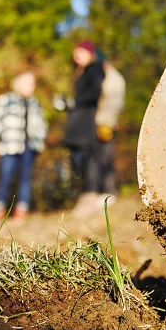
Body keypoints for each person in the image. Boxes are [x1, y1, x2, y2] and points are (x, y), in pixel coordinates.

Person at [0, 72, 47, 223]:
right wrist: (3, 134)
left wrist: (39, 140)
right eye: (28, 83)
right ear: (19, 84)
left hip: (29, 146)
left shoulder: (35, 103)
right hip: (10, 145)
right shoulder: (6, 100)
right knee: (5, 177)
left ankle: (21, 211)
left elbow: (41, 124)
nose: (31, 87)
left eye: (32, 84)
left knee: (25, 179)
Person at [60, 40, 112, 215]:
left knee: (89, 157)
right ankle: (85, 192)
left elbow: (93, 94)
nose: (76, 57)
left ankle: (90, 193)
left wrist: (74, 102)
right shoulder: (81, 72)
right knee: (79, 158)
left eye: (80, 53)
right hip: (79, 120)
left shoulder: (95, 70)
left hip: (87, 120)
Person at [94, 50, 126, 199]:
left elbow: (111, 104)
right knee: (102, 157)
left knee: (106, 157)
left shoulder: (113, 79)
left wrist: (103, 120)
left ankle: (109, 191)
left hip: (106, 122)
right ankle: (107, 190)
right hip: (105, 121)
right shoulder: (112, 77)